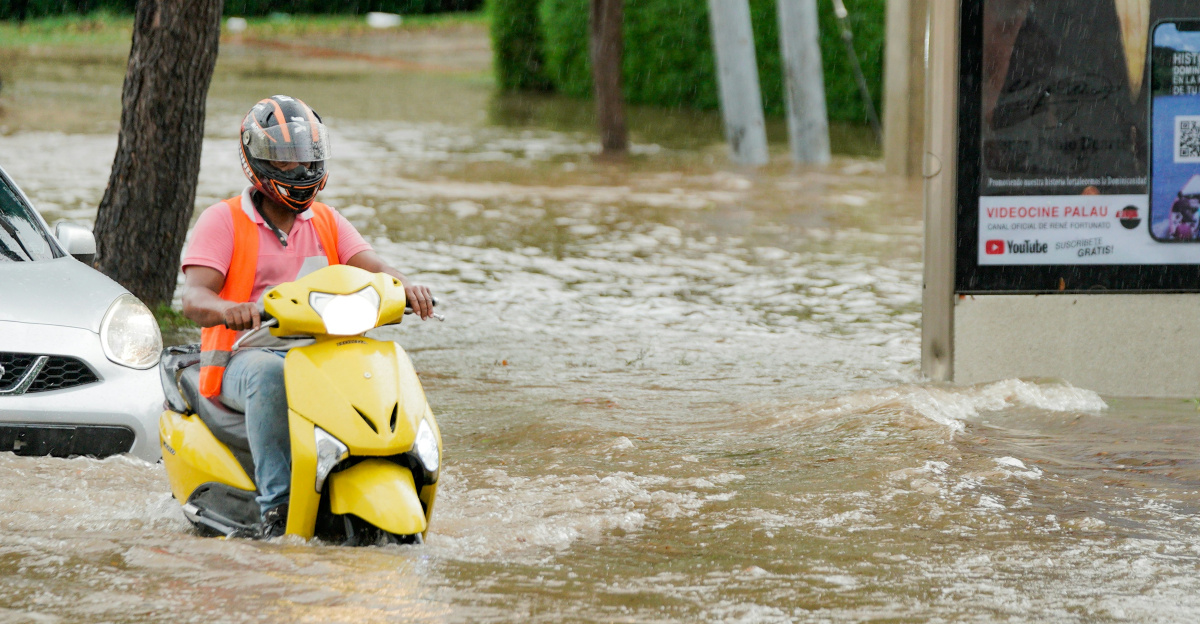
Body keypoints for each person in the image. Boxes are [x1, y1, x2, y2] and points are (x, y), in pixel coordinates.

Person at [180, 95, 434, 539]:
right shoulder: (223, 221)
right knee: (270, 376)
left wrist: (404, 285)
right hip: (243, 358)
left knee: (383, 360)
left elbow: (373, 266)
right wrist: (229, 310)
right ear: (256, 161)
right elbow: (194, 297)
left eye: (306, 158)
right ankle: (277, 507)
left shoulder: (328, 221)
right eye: (285, 159)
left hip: (321, 354)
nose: (299, 170)